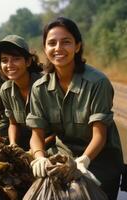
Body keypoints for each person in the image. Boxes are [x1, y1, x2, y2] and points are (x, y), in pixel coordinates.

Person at [26, 17, 123, 200]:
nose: (58, 48)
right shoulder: (39, 88)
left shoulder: (97, 83)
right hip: (63, 156)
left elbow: (100, 135)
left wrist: (84, 161)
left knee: (77, 195)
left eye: (66, 42)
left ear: (77, 46)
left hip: (99, 159)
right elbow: (36, 135)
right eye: (52, 43)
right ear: (45, 49)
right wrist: (39, 156)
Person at [0, 35, 55, 151]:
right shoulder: (5, 90)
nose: (9, 65)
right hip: (28, 143)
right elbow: (13, 123)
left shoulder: (46, 86)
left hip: (52, 144)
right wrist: (13, 145)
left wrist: (35, 150)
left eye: (16, 59)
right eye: (4, 60)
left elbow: (59, 131)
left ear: (28, 61)